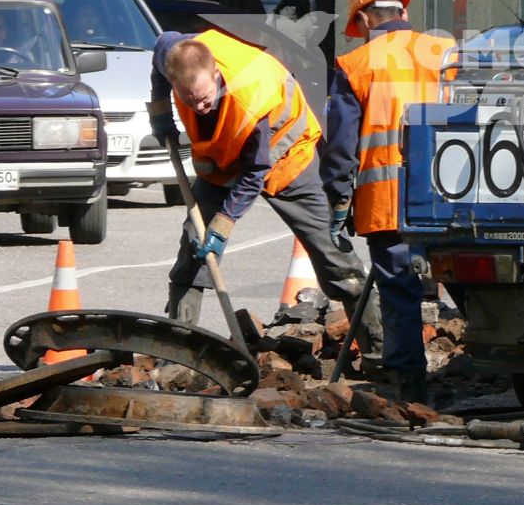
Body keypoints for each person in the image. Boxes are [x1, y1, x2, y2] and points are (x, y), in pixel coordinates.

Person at [149, 28, 365, 327]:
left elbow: (254, 173)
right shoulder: (175, 56)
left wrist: (222, 226)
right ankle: (180, 343)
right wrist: (159, 114)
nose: (199, 107)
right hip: (222, 161)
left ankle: (377, 349)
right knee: (195, 246)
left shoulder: (250, 100)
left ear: (215, 76)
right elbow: (161, 53)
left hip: (287, 159)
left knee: (329, 251)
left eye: (204, 98)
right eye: (189, 100)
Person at [320, 0, 447, 405]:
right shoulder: (445, 51)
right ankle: (498, 360)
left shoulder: (357, 64)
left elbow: (340, 146)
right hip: (452, 197)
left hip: (388, 201)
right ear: (400, 10)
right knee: (471, 282)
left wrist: (337, 200)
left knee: (399, 291)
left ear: (366, 18)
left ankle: (409, 386)